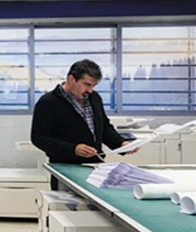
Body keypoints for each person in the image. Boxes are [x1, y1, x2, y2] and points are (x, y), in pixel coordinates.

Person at [31, 59, 136, 187]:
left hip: (95, 169)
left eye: (93, 86)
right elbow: (38, 137)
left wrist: (121, 144)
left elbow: (104, 128)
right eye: (86, 85)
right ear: (71, 79)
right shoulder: (48, 102)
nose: (90, 90)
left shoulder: (94, 98)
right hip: (65, 169)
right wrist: (73, 149)